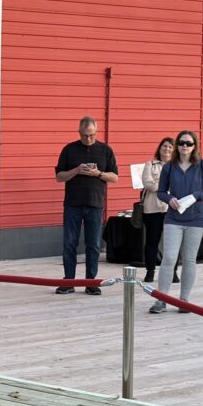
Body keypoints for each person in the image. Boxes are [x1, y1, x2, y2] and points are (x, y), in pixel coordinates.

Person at [148, 131, 203, 314]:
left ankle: (184, 300)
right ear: (177, 145)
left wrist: (196, 195)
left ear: (194, 146)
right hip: (173, 217)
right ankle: (161, 299)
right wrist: (169, 199)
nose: (185, 146)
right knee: (169, 257)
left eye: (189, 143)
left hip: (196, 218)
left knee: (189, 259)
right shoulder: (169, 167)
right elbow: (161, 191)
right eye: (182, 143)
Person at [54, 116, 118, 295]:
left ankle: (91, 282)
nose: (88, 139)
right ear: (79, 133)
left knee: (93, 245)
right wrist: (76, 170)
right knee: (69, 243)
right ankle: (69, 281)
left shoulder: (105, 150)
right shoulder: (69, 149)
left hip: (95, 204)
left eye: (91, 135)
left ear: (96, 132)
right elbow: (59, 177)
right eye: (84, 136)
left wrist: (98, 173)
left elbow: (115, 177)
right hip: (73, 204)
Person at [140, 137, 174, 283]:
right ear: (159, 148)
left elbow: (179, 187)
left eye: (170, 147)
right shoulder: (150, 164)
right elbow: (147, 183)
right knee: (152, 241)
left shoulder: (177, 167)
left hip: (171, 208)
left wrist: (159, 184)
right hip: (152, 208)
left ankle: (173, 272)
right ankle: (150, 271)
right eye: (164, 146)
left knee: (172, 242)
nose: (167, 149)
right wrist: (164, 186)